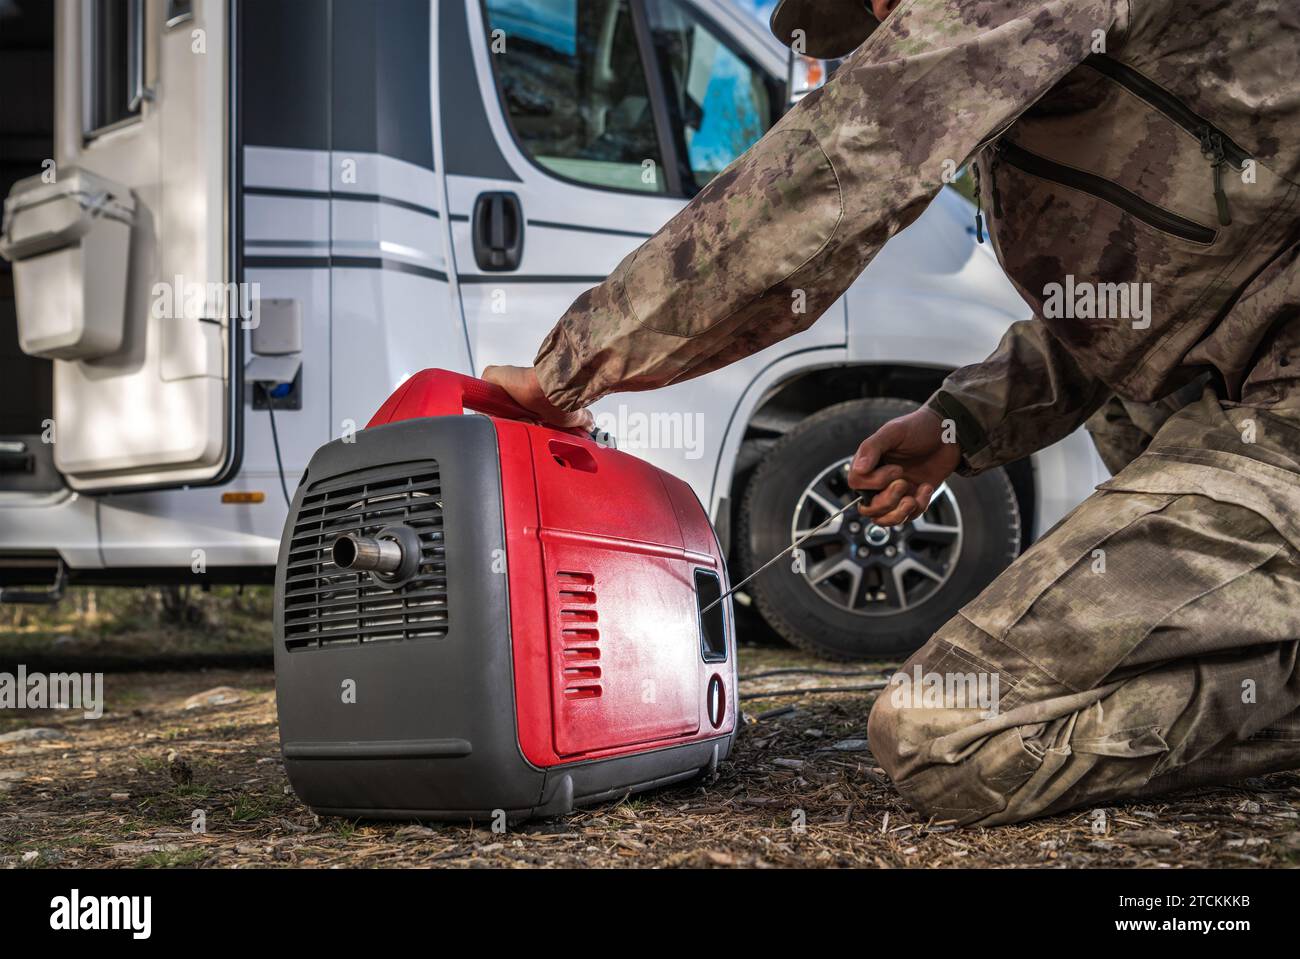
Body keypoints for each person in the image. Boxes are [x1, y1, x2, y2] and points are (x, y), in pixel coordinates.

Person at [485, 0, 1300, 826]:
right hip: (1250, 399)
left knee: (941, 734)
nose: (884, 14)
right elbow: (1137, 305)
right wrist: (961, 421)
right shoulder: (1062, 85)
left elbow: (844, 163)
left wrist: (574, 365)